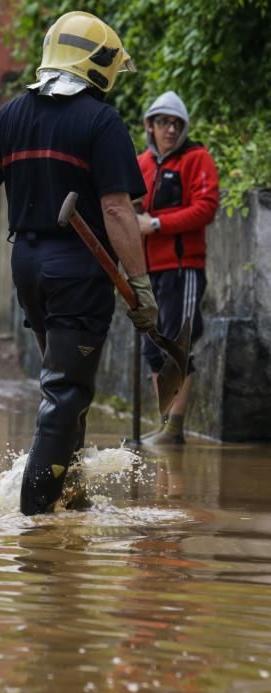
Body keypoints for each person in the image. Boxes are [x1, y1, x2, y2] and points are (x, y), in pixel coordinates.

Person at [0, 11, 158, 515]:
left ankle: (72, 501)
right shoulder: (100, 120)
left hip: (29, 265)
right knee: (65, 393)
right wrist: (141, 284)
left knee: (66, 383)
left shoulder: (10, 115)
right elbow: (115, 208)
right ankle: (34, 524)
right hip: (78, 269)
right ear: (97, 62)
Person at [136, 91, 219, 444]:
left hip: (183, 268)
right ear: (150, 126)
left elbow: (206, 208)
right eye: (163, 123)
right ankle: (163, 423)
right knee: (153, 349)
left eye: (176, 124)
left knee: (177, 344)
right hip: (147, 270)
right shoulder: (141, 163)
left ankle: (175, 428)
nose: (170, 129)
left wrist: (156, 224)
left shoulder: (197, 158)